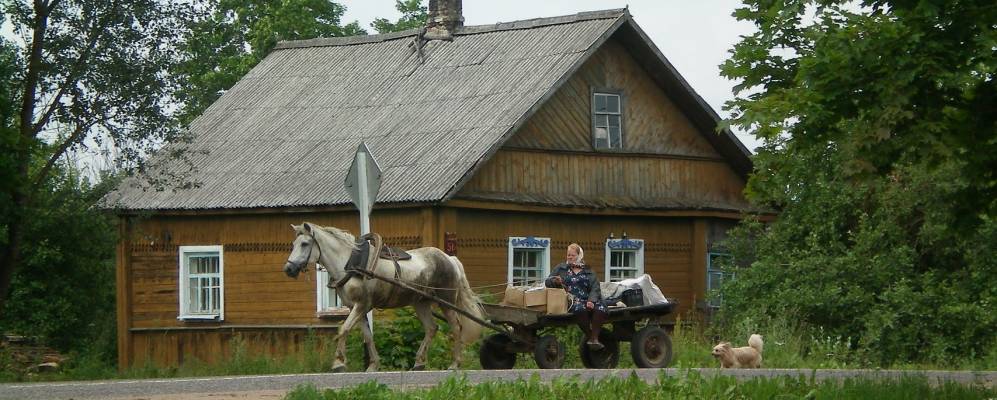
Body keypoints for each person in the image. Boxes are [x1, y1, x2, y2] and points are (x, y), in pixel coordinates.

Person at [545, 243, 607, 350]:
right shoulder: (561, 268)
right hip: (572, 300)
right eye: (568, 255)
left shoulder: (587, 270)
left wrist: (591, 300)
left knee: (600, 308)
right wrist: (555, 281)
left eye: (572, 255)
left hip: (589, 298)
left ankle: (595, 338)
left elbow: (595, 287)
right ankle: (590, 336)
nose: (569, 257)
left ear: (579, 256)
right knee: (579, 309)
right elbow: (547, 282)